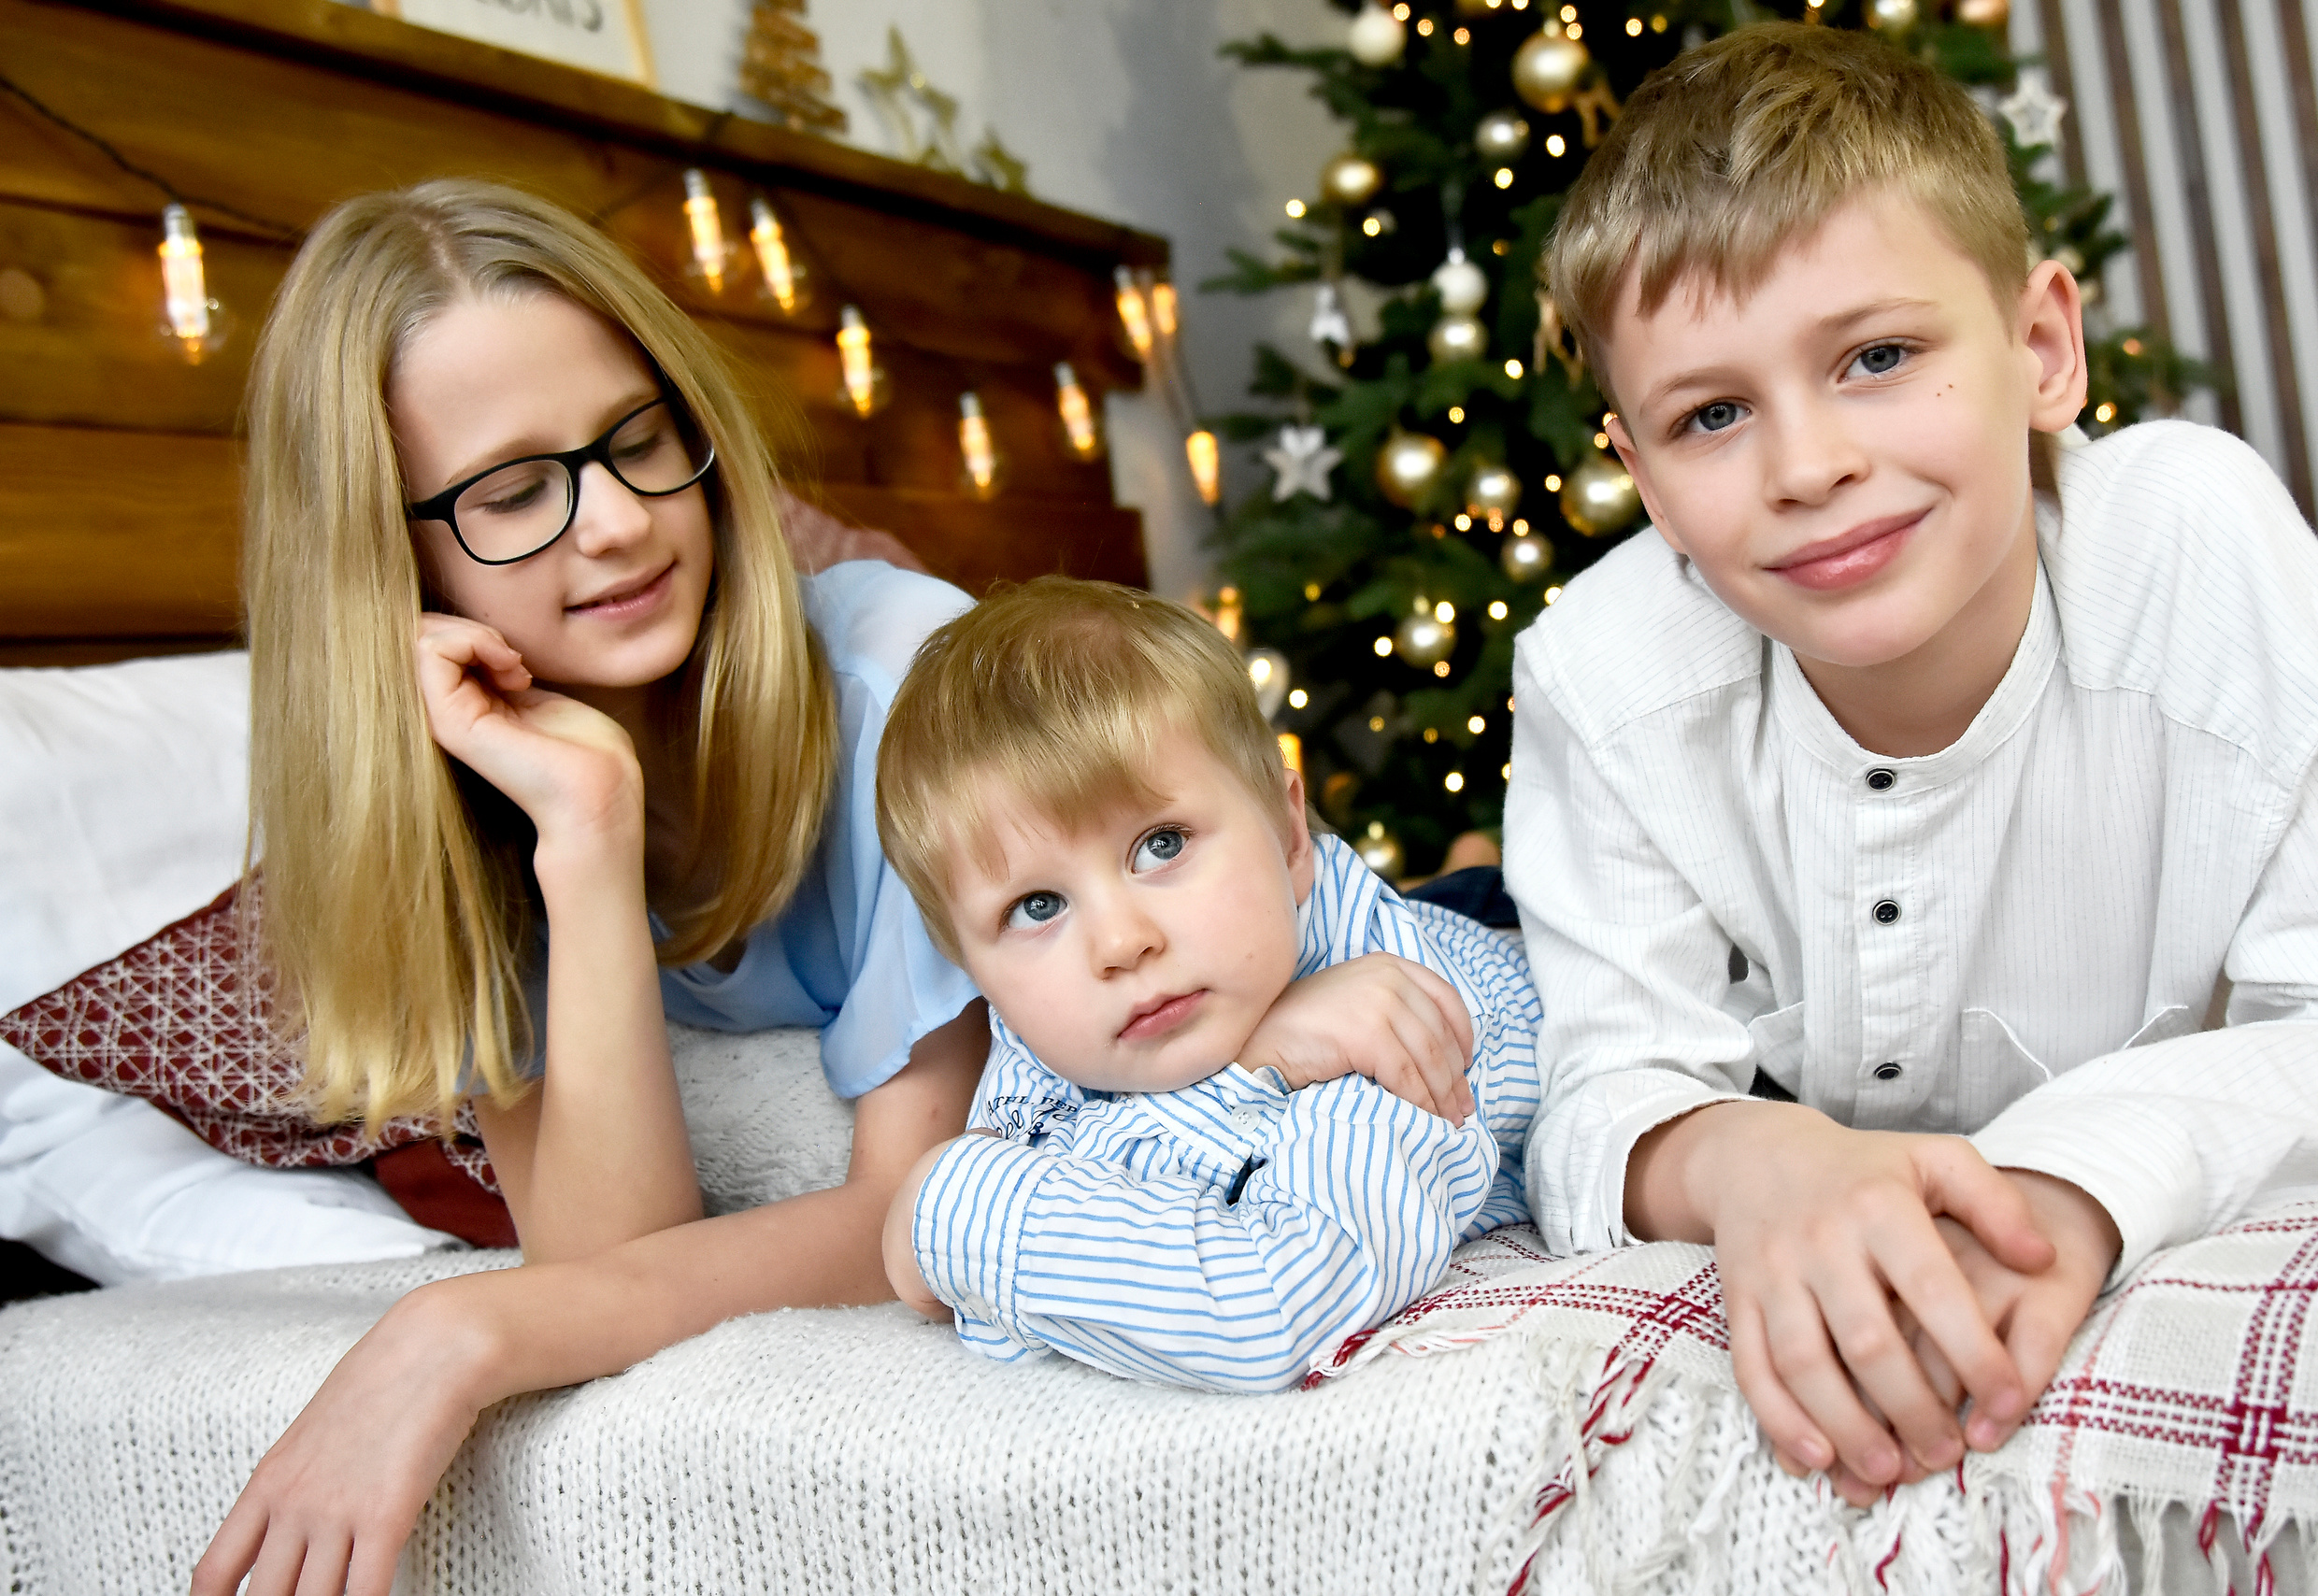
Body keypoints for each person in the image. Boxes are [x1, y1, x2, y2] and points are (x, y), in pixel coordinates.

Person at [1510, 19, 2318, 1509]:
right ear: (1643, 476)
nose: (1806, 466)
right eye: (1711, 415)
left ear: (2042, 348)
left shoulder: (2198, 543)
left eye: (1878, 357)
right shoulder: (1601, 673)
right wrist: (1751, 1162)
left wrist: (2073, 1176)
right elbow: (1606, 1085)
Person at [194, 178, 994, 1595]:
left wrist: (455, 1332)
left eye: (638, 440)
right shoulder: (474, 808)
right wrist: (587, 832)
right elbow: (614, 1257)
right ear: (394, 559)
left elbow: (919, 1205)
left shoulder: (903, 680)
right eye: (512, 493)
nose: (619, 524)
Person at [872, 578, 1541, 1390]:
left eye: (1161, 844)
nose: (1121, 941)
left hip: (1507, 948)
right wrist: (1257, 1060)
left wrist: (944, 1201)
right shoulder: (1056, 1022)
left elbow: (1266, 1310)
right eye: (1038, 905)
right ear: (973, 972)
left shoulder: (1387, 1005)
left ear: (1290, 832)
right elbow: (977, 1260)